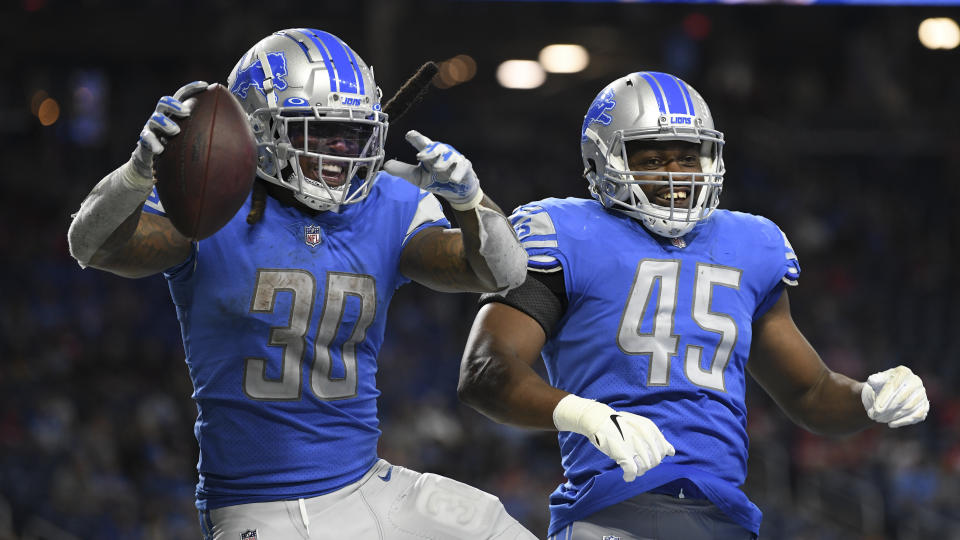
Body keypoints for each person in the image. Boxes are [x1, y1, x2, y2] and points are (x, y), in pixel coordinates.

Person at [67, 28, 536, 540]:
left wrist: (472, 202)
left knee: (498, 528)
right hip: (260, 508)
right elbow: (93, 245)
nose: (341, 150)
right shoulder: (209, 208)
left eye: (352, 134)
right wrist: (137, 175)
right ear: (256, 131)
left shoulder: (388, 204)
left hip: (365, 483)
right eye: (320, 132)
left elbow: (503, 272)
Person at [457, 71, 930, 540]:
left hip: (723, 517)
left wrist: (867, 397)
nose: (676, 175)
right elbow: (484, 369)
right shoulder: (562, 232)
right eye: (654, 158)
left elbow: (810, 393)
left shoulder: (752, 243)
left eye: (688, 157)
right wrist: (585, 415)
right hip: (610, 511)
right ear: (601, 162)